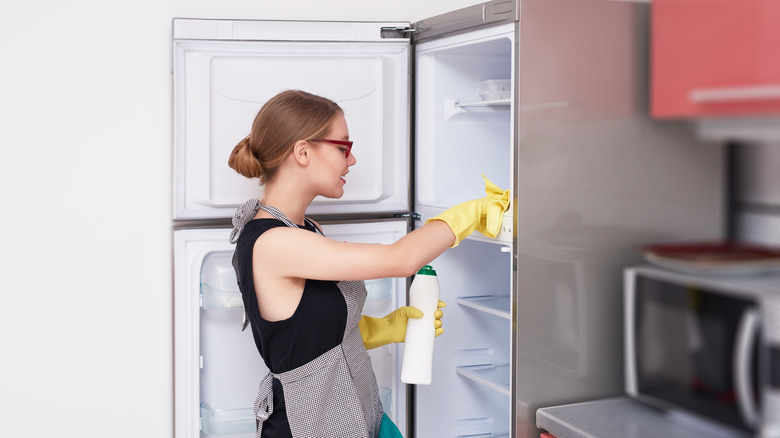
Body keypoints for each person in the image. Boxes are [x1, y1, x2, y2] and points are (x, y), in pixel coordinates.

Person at [228, 89, 509, 438]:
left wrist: (383, 329)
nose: (352, 159)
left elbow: (308, 335)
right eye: (343, 147)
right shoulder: (275, 242)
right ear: (303, 152)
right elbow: (401, 259)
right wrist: (470, 213)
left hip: (353, 418)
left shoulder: (302, 229)